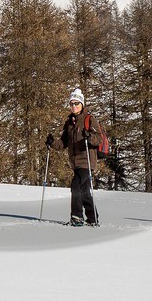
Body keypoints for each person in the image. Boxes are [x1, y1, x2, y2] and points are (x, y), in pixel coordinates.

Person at [45, 88, 106, 227]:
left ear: (82, 104)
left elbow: (99, 139)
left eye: (76, 103)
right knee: (84, 192)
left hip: (87, 162)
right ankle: (93, 218)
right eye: (71, 103)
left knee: (75, 186)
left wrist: (89, 136)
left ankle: (77, 217)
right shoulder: (69, 123)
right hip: (75, 162)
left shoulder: (89, 119)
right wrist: (52, 143)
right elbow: (63, 143)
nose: (74, 106)